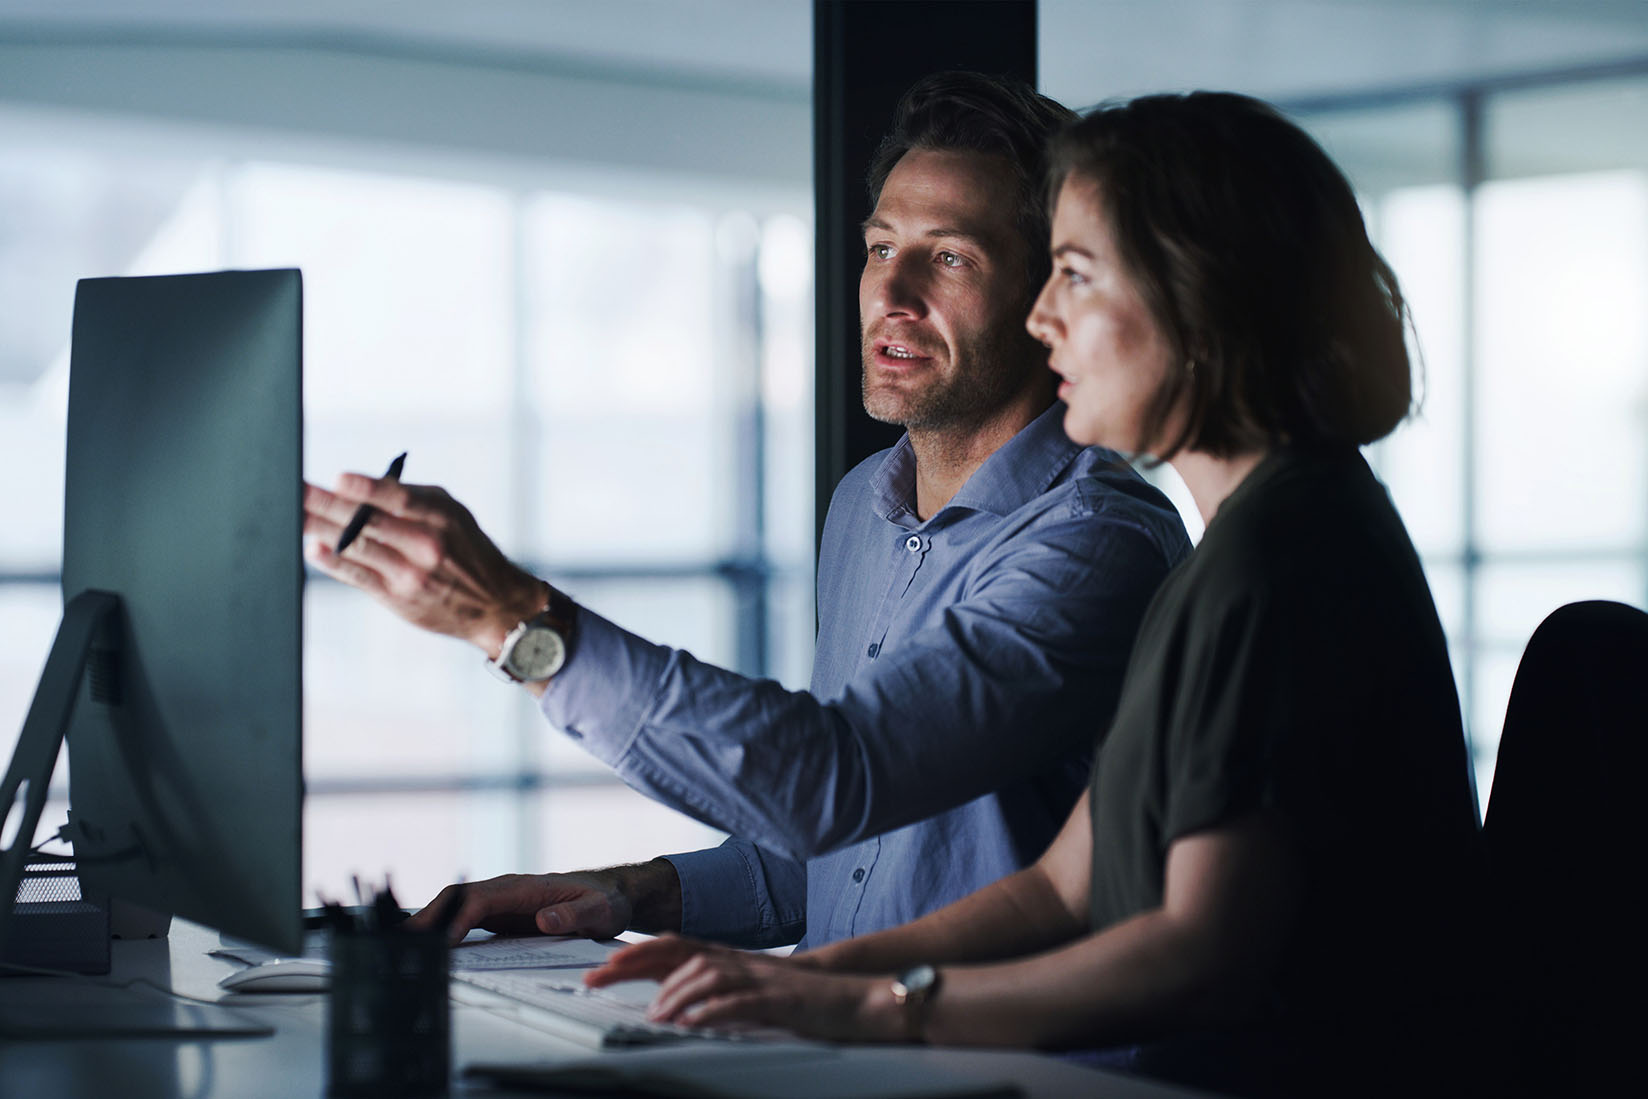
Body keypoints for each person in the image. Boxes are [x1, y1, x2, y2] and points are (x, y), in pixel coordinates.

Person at [583, 91, 1480, 1097]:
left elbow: (1199, 959)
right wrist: (813, 975)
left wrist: (871, 1011)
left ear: (1200, 301)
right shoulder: (1243, 544)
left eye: (1075, 274)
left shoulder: (1275, 565)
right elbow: (1063, 884)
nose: (1043, 314)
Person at [303, 73, 1190, 952]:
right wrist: (621, 893)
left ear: (1047, 302)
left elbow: (834, 780)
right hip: (841, 1048)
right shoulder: (863, 507)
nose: (891, 292)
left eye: (950, 257)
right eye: (882, 248)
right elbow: (835, 846)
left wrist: (511, 618)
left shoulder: (1096, 544)